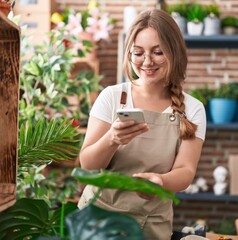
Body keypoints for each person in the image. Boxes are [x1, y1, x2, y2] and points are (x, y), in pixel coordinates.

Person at [77, 9, 206, 240]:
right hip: (97, 221)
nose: (147, 61)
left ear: (174, 53)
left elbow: (186, 171)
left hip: (151, 226)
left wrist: (161, 181)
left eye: (158, 52)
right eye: (138, 52)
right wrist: (112, 139)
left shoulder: (192, 108)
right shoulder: (112, 97)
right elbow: (87, 164)